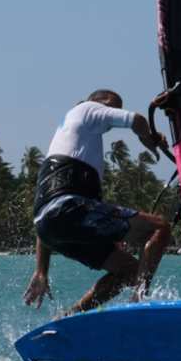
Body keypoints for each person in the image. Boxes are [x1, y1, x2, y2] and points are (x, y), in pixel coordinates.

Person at [23, 89, 171, 316]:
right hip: (68, 211)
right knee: (159, 227)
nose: (115, 113)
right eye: (114, 106)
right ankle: (139, 302)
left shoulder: (75, 142)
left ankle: (70, 317)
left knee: (129, 270)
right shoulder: (86, 109)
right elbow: (138, 121)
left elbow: (47, 217)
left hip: (53, 225)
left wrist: (41, 271)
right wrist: (149, 139)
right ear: (99, 101)